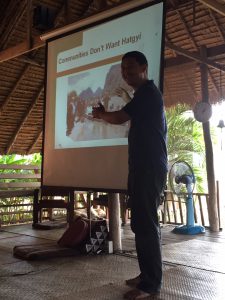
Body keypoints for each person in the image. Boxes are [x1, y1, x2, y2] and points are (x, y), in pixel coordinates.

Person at [92, 51, 167, 299]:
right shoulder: (141, 95)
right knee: (140, 224)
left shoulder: (148, 93)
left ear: (144, 67)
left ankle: (151, 285)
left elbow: (120, 117)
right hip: (140, 168)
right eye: (123, 69)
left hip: (149, 169)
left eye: (131, 67)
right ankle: (146, 275)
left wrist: (101, 114)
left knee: (146, 225)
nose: (126, 72)